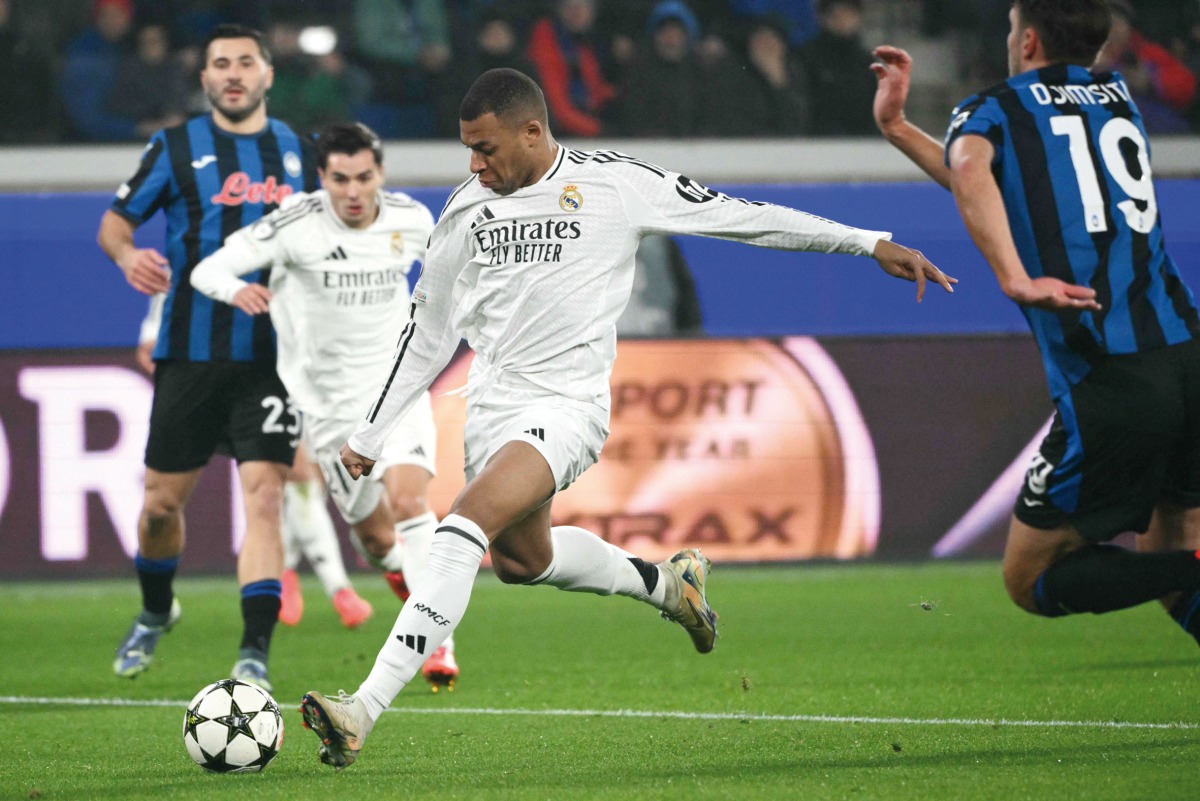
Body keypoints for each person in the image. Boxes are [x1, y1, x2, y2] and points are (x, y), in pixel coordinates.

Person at [297, 67, 955, 769]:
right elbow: (425, 331)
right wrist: (370, 433)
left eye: (485, 148)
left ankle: (360, 709)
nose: (474, 163)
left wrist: (866, 241)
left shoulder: (615, 184)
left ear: (532, 131)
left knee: (461, 524)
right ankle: (670, 585)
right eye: (468, 149)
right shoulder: (466, 210)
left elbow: (742, 216)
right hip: (492, 404)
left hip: (568, 405)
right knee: (523, 562)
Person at [871, 1, 1200, 641]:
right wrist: (899, 128)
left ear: (1026, 42)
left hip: (1112, 375)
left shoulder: (992, 108)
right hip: (1188, 353)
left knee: (1031, 578)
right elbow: (989, 181)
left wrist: (1015, 279)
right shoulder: (1117, 96)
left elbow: (972, 169)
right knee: (1173, 557)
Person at [190, 121, 460, 690]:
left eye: (364, 177)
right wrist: (234, 289)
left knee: (410, 499)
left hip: (397, 389)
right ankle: (400, 578)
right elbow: (206, 269)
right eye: (341, 179)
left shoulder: (412, 220)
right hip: (331, 410)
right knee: (377, 540)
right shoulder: (294, 225)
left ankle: (437, 642)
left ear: (380, 173)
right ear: (322, 178)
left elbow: (457, 282)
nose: (354, 191)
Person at [99, 23, 319, 692]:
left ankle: (253, 651)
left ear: (267, 74)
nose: (233, 73)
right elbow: (115, 222)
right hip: (190, 353)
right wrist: (128, 253)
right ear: (204, 79)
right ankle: (157, 608)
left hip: (270, 358)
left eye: (245, 62)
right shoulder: (173, 147)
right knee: (161, 507)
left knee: (265, 495)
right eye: (220, 63)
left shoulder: (303, 155)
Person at [133, 294, 378, 632]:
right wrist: (154, 331)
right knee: (295, 472)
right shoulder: (206, 248)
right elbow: (178, 281)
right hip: (255, 367)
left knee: (305, 480)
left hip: (309, 357)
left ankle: (289, 573)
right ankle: (338, 589)